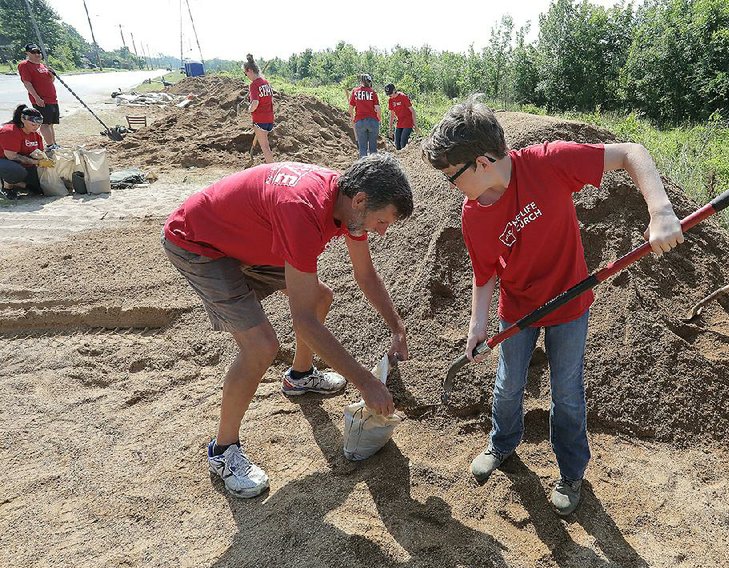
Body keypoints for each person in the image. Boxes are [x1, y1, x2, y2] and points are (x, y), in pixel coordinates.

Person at [421, 95, 684, 516]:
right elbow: (485, 273)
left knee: (566, 391)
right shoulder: (473, 215)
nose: (451, 187)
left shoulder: (548, 162)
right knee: (508, 384)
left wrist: (660, 210)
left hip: (569, 302)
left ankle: (571, 471)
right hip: (518, 309)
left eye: (452, 176)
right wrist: (477, 323)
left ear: (483, 162)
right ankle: (502, 443)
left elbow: (633, 153)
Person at [162, 154, 413, 498]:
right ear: (360, 201)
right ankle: (223, 451)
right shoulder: (303, 210)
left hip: (247, 239)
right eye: (382, 221)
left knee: (320, 297)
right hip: (199, 244)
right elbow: (304, 323)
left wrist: (396, 327)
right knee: (261, 345)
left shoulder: (349, 203)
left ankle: (299, 376)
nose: (381, 232)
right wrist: (366, 382)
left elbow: (365, 274)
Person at [17, 43, 59, 150]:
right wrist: (36, 98)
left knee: (50, 124)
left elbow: (51, 81)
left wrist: (52, 75)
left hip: (52, 99)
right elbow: (27, 83)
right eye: (33, 52)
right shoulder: (25, 65)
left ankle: (54, 144)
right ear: (27, 53)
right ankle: (50, 145)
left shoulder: (43, 66)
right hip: (42, 100)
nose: (37, 54)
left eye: (38, 52)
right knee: (44, 123)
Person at [0, 105, 45, 200]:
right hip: (5, 161)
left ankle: (21, 184)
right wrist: (36, 162)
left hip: (21, 164)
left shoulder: (36, 135)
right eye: (33, 124)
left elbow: (39, 152)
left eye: (38, 125)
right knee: (16, 170)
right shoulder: (10, 132)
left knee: (39, 189)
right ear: (23, 119)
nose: (36, 127)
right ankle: (6, 188)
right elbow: (12, 156)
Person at [243, 54, 274, 164]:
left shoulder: (254, 85)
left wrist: (249, 109)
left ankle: (272, 170)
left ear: (249, 70)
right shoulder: (266, 83)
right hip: (269, 119)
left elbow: (255, 103)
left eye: (245, 73)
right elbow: (269, 100)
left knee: (265, 148)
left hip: (260, 119)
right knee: (266, 145)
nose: (246, 76)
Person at [349, 74, 381, 157]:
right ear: (369, 81)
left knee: (362, 148)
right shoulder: (373, 92)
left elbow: (350, 108)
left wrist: (353, 119)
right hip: (373, 121)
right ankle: (373, 167)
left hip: (359, 122)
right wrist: (379, 119)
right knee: (373, 149)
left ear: (361, 81)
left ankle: (363, 167)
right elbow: (378, 108)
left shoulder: (355, 91)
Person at [385, 83, 417, 150]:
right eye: (388, 94)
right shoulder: (390, 100)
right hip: (399, 122)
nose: (390, 96)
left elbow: (412, 111)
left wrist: (415, 125)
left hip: (408, 122)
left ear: (394, 90)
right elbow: (392, 115)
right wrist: (390, 129)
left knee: (403, 143)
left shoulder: (403, 97)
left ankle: (406, 158)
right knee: (397, 145)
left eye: (390, 94)